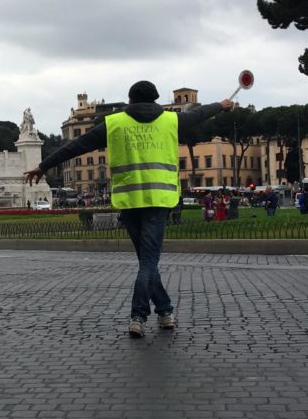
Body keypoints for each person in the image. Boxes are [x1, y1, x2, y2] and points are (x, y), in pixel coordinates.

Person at [24, 80, 233, 337]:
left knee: (146, 261)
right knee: (148, 261)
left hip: (129, 201)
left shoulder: (114, 123)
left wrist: (43, 166)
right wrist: (220, 106)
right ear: (156, 99)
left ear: (130, 101)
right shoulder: (171, 120)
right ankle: (144, 315)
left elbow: (74, 147)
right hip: (159, 200)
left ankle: (160, 311)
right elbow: (198, 114)